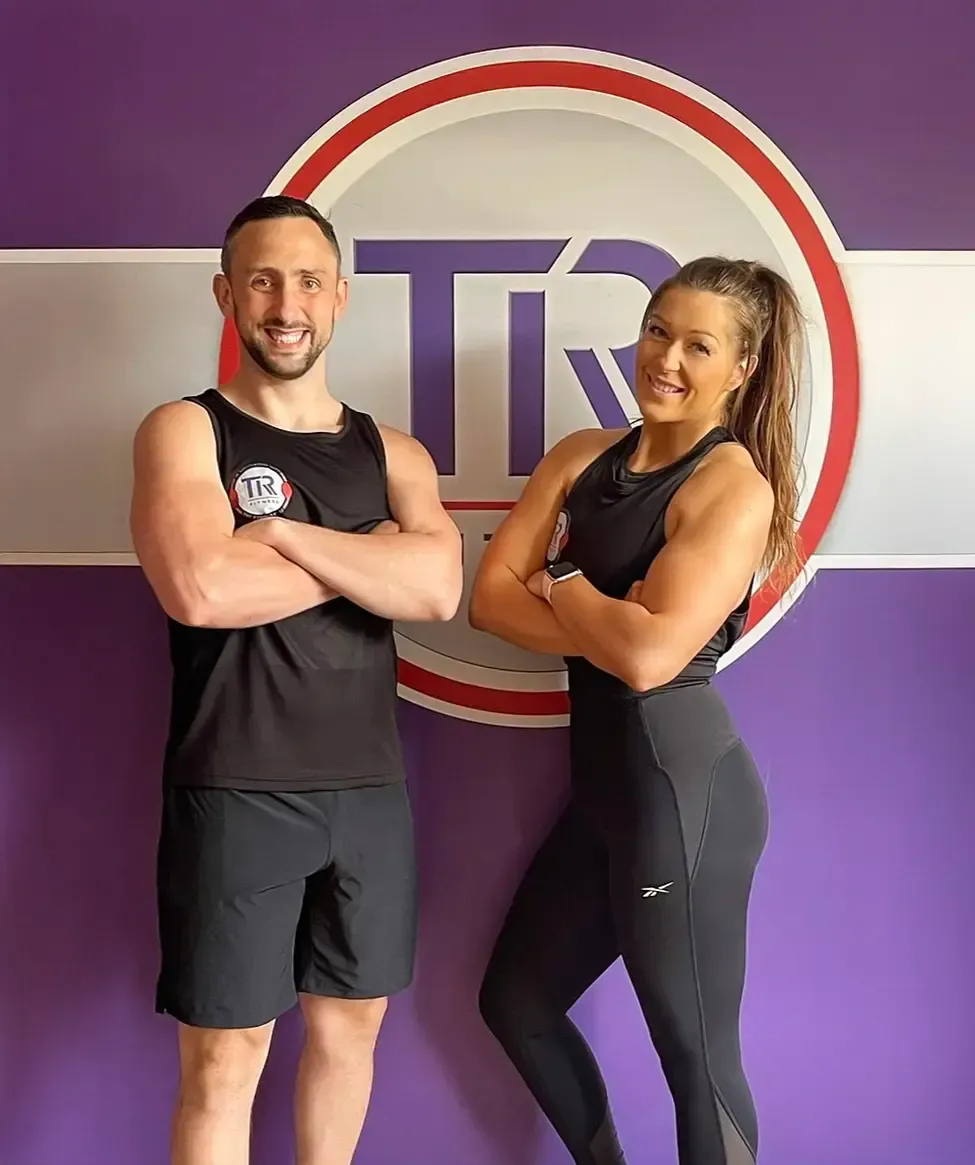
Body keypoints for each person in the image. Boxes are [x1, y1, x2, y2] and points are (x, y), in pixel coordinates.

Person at [130, 194, 462, 1165]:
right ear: (227, 294)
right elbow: (200, 588)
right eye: (265, 281)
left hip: (368, 795)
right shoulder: (184, 431)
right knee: (225, 1058)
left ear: (340, 297)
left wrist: (275, 535)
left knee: (351, 1033)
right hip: (235, 789)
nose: (287, 305)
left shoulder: (393, 451)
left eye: (309, 282)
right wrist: (366, 555)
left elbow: (437, 587)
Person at [469, 256, 805, 1165]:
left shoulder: (730, 486)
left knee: (694, 1058)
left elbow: (652, 660)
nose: (666, 359)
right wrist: (615, 618)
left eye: (698, 345)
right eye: (658, 331)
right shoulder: (580, 456)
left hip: (682, 793)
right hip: (605, 794)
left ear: (739, 368)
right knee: (517, 1001)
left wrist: (561, 577)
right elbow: (490, 601)